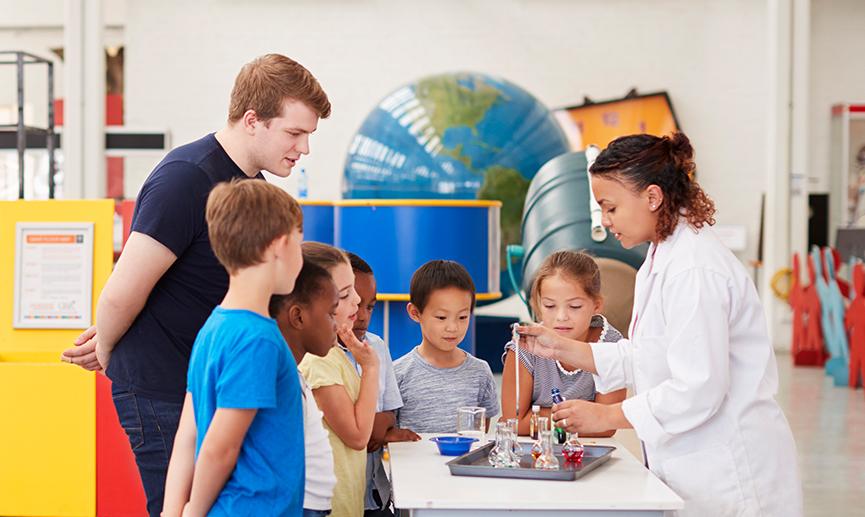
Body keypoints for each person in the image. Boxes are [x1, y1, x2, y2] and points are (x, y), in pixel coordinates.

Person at [60, 54, 330, 516]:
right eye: (294, 133)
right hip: (162, 387)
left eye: (309, 135)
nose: (304, 148)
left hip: (205, 383)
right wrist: (108, 348)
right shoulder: (187, 177)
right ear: (252, 121)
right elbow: (125, 289)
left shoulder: (253, 189)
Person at [517, 133, 803, 517]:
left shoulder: (694, 267)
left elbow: (698, 387)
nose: (604, 221)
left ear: (652, 197)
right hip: (694, 463)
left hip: (731, 471)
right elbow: (651, 354)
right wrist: (565, 348)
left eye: (611, 207)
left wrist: (607, 416)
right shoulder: (663, 254)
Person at [161, 179, 305, 517]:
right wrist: (194, 511)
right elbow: (220, 447)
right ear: (279, 246)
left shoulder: (213, 328)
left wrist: (172, 511)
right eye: (299, 243)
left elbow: (188, 433)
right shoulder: (259, 339)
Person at [500, 250, 626, 437]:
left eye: (574, 306)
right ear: (538, 305)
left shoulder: (612, 345)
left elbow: (605, 428)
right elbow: (513, 422)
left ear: (597, 305)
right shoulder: (524, 346)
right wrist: (584, 416)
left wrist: (538, 415)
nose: (561, 317)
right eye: (550, 306)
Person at [298, 242, 379, 517]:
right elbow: (357, 436)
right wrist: (370, 367)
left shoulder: (335, 352)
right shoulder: (319, 359)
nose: (357, 300)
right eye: (345, 295)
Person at [345, 252, 420, 517]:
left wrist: (379, 429)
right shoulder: (318, 357)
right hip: (337, 499)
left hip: (374, 494)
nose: (363, 315)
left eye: (370, 307)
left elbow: (389, 415)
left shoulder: (376, 347)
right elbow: (351, 435)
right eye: (354, 304)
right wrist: (374, 431)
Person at [270, 262, 342, 517]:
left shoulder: (292, 373)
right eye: (332, 314)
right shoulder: (277, 375)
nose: (337, 324)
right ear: (298, 317)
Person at [393, 260, 499, 433]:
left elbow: (481, 437)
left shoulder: (480, 372)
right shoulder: (398, 374)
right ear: (415, 313)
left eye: (462, 317)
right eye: (442, 317)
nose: (453, 327)